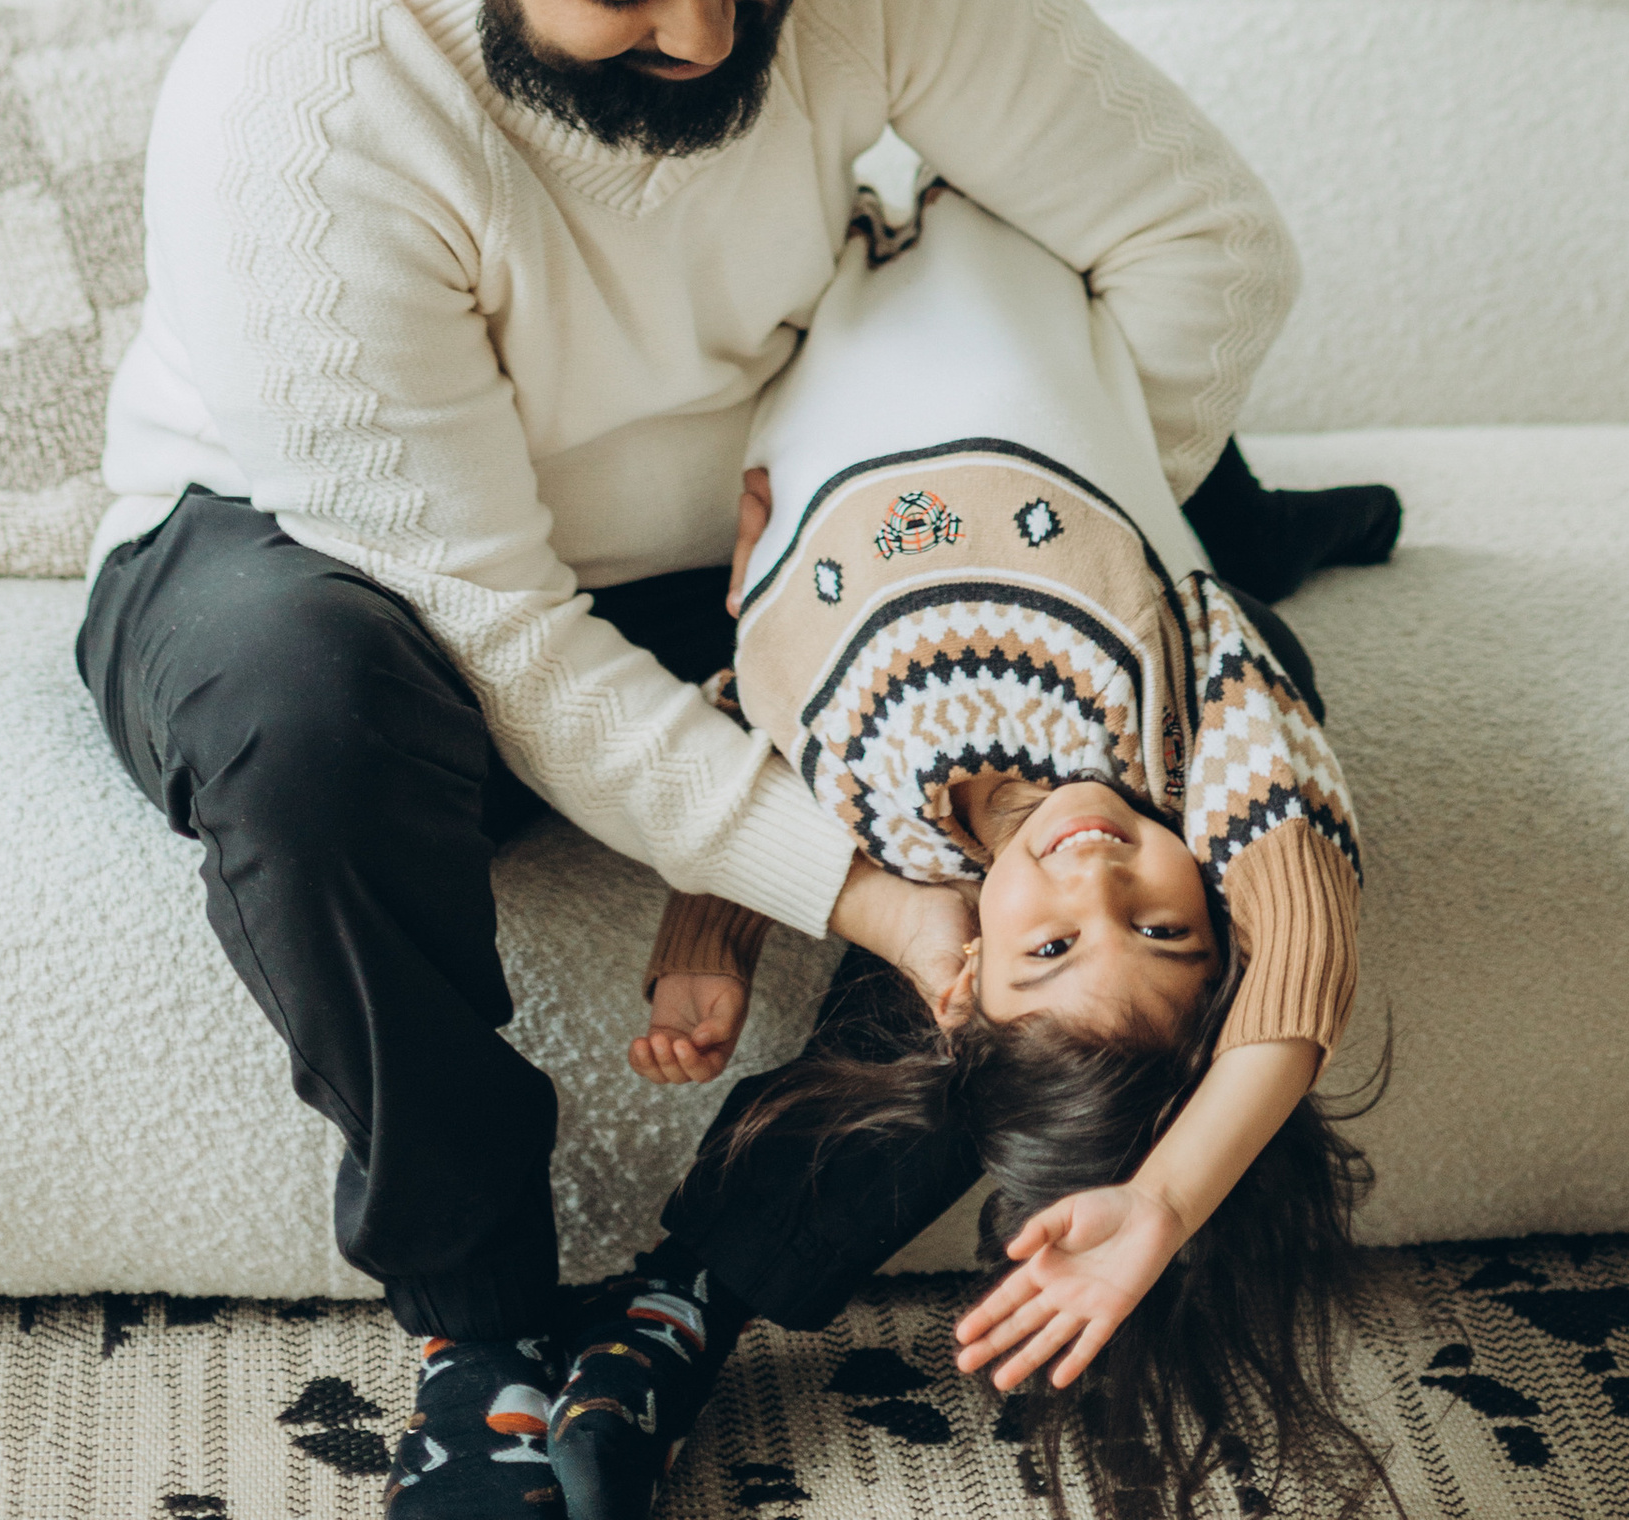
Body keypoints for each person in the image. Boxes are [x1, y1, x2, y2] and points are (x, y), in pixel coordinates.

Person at [73, 0, 1395, 1516]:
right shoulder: (291, 120)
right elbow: (505, 636)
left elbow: (1205, 248)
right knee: (310, 720)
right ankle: (480, 1330)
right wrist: (875, 899)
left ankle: (699, 1292)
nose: (706, 30)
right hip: (338, 566)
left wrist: (1069, 538)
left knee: (1155, 720)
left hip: (768, 544)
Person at [544, 194, 1378, 1520]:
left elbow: (753, 744)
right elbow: (1300, 940)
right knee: (1073, 1014)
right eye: (1166, 926)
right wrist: (1164, 1201)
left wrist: (713, 932)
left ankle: (679, 1306)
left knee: (1026, 1065)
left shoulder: (910, 830)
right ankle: (1257, 527)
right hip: (1085, 468)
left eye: (1058, 936)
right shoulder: (1194, 721)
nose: (1099, 880)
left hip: (907, 535)